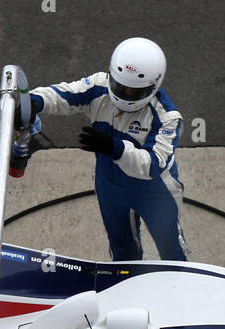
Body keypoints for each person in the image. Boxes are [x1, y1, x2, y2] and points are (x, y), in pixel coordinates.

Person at [27, 37, 187, 262]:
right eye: (120, 86)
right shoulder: (98, 86)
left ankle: (178, 288)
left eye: (133, 91)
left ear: (153, 86)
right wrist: (33, 101)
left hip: (156, 192)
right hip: (110, 187)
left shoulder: (167, 118)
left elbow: (153, 166)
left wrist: (115, 148)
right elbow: (64, 95)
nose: (125, 94)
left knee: (171, 250)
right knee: (123, 251)